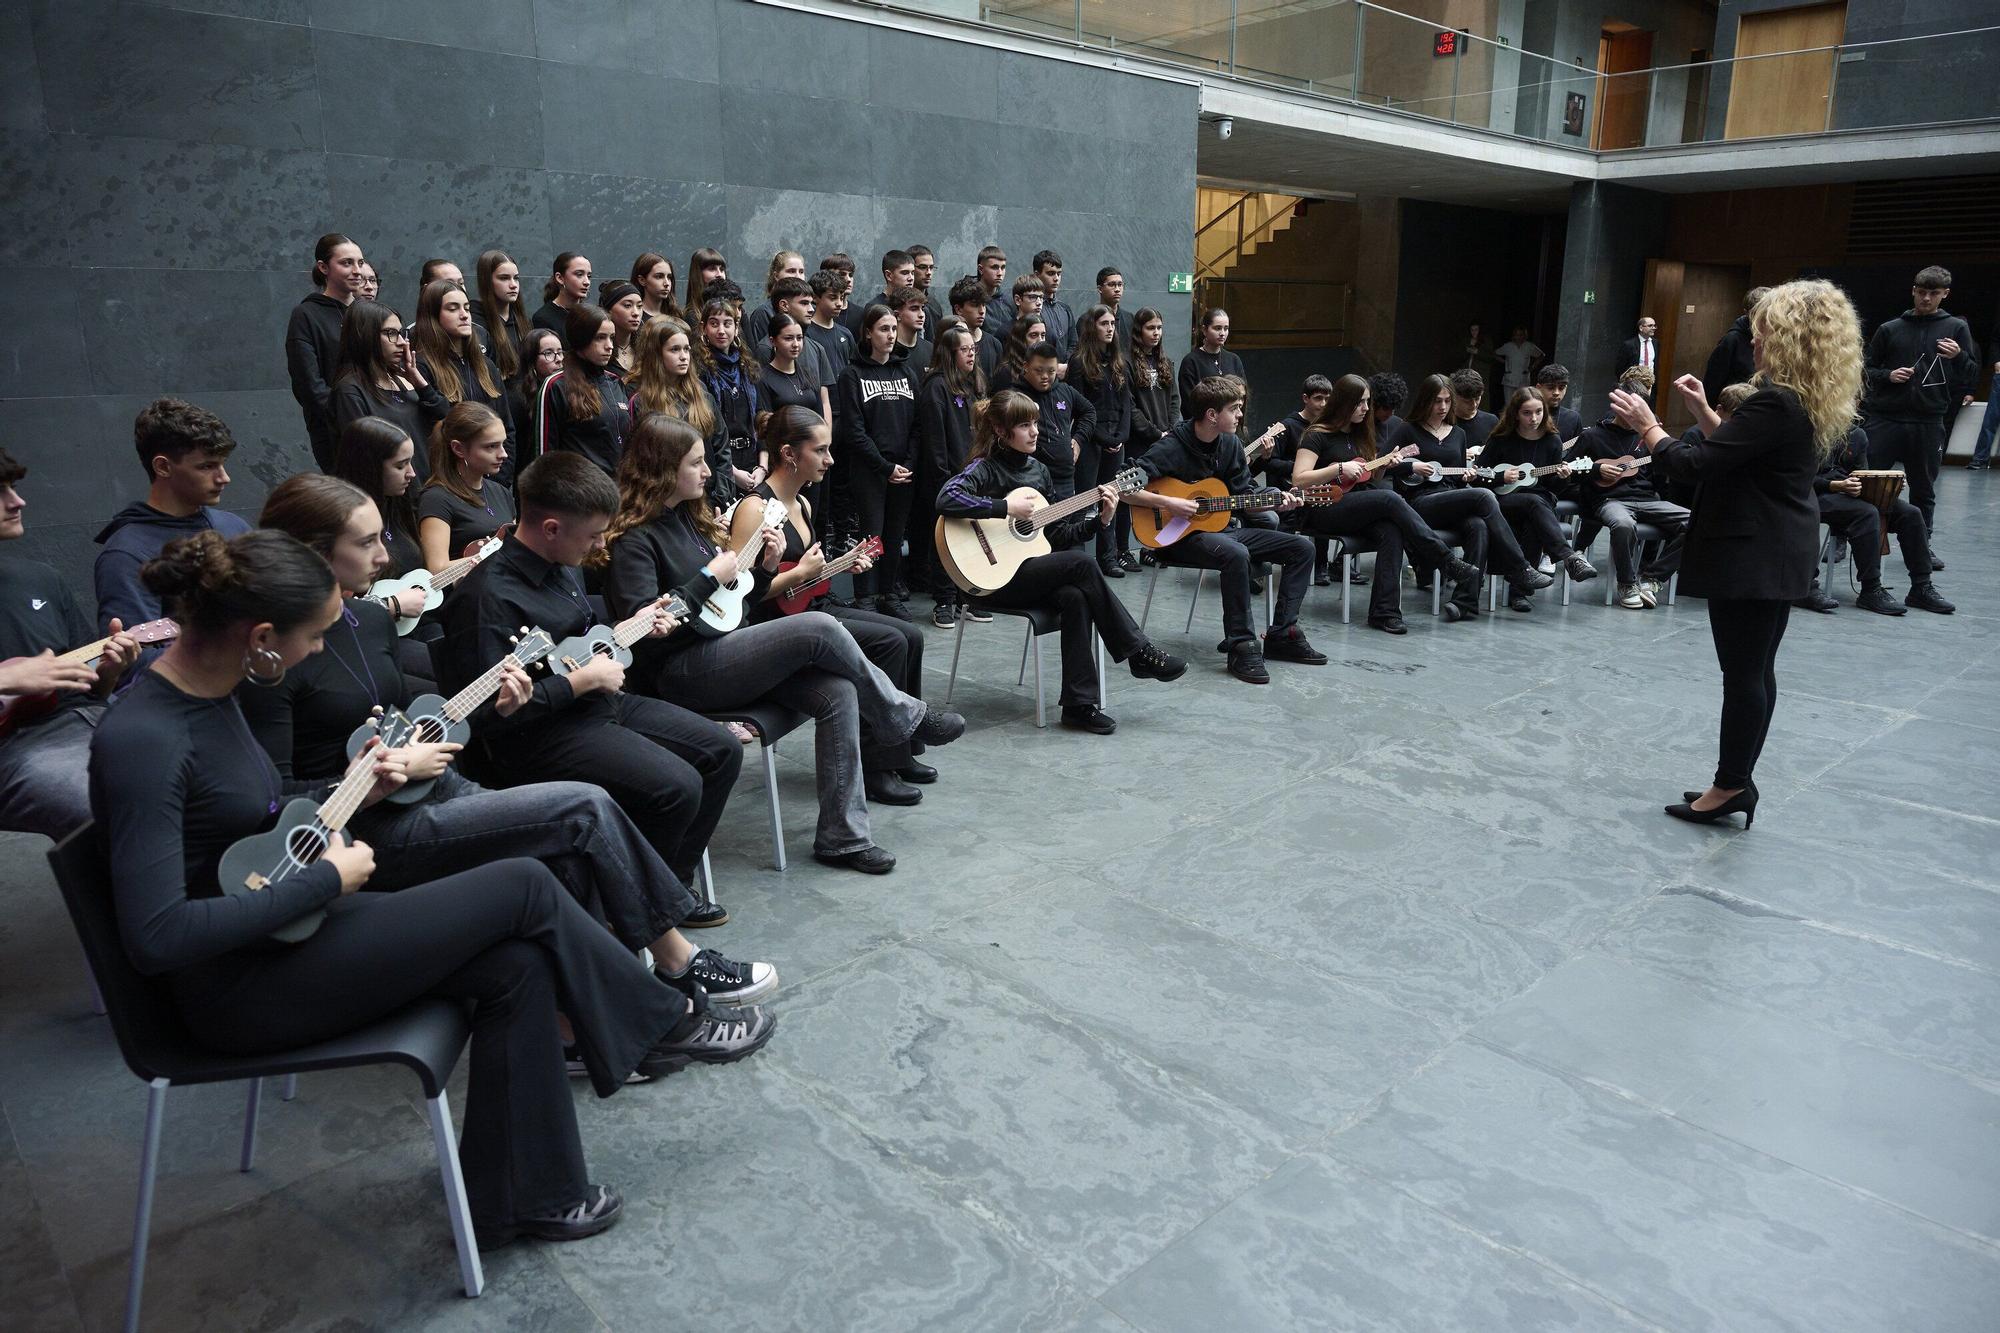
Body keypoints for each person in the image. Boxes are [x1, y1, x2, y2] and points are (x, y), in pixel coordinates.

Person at [90, 526, 770, 1253]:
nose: (316, 651)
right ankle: (664, 1020)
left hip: (288, 931)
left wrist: (357, 787)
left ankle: (528, 1197)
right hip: (238, 989)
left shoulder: (211, 693)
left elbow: (248, 821)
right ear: (260, 638)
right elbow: (157, 937)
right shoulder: (145, 739)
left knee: (518, 964)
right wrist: (325, 878)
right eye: (312, 637)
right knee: (524, 885)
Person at [250, 471, 763, 985]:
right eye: (366, 543)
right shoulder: (273, 658)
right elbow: (267, 803)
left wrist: (441, 729)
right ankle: (672, 962)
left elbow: (413, 714)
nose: (385, 557)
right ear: (312, 553)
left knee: (658, 790)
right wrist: (375, 777)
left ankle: (651, 953)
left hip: (429, 782)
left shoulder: (372, 622)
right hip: (362, 826)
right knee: (593, 809)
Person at [600, 414, 964, 871]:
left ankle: (843, 837)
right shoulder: (635, 539)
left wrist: (765, 569)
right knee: (821, 627)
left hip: (722, 652)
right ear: (661, 468)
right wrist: (708, 577)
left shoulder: (690, 522)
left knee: (839, 691)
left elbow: (730, 604)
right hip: (678, 672)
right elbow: (643, 630)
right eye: (695, 463)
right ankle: (902, 715)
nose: (709, 471)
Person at [438, 453, 744, 913]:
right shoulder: (487, 599)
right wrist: (578, 683)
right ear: (551, 528)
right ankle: (642, 908)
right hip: (538, 735)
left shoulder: (563, 558)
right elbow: (482, 718)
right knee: (676, 787)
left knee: (722, 751)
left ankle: (666, 891)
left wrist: (633, 625)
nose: (602, 543)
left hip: (595, 702)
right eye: (594, 534)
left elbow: (573, 638)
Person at [1608, 279, 1860, 829]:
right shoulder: (1800, 398)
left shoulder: (1774, 400)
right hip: (1779, 544)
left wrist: (1648, 427)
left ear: (1792, 340)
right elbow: (1741, 454)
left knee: (1744, 675)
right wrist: (1703, 412)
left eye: (1765, 333)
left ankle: (1730, 786)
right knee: (1756, 670)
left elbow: (1694, 465)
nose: (1755, 342)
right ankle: (1736, 780)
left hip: (1754, 551)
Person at [936, 391, 1185, 733]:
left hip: (1026, 572)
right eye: (1024, 425)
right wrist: (1005, 508)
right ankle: (1138, 652)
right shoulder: (985, 468)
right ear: (1000, 430)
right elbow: (946, 497)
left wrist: (1101, 521)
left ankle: (1078, 706)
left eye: (1035, 423)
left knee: (1075, 596)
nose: (1035, 431)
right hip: (990, 580)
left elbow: (1057, 535)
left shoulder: (1039, 472)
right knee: (1082, 565)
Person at [745, 410, 939, 793]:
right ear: (789, 454)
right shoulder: (755, 509)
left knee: (911, 635)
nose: (830, 460)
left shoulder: (801, 504)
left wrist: (839, 566)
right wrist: (801, 574)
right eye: (820, 450)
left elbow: (805, 580)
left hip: (812, 608)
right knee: (890, 642)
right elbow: (746, 594)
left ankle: (901, 750)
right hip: (779, 628)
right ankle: (876, 769)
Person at [1128, 376, 1324, 684]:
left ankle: (1282, 633)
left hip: (1221, 532)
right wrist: (1169, 502)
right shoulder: (1171, 446)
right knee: (1235, 553)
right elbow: (1123, 488)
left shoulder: (1230, 444)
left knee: (1302, 548)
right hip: (1176, 537)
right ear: (1211, 415)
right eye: (1234, 409)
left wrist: (1276, 502)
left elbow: (1245, 497)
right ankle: (1241, 645)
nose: (1240, 415)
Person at [0, 447, 141, 841]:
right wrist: (7, 679)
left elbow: (91, 693)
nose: (17, 501)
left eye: (13, 487)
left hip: (94, 721)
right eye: (0, 492)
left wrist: (110, 670)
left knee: (211, 773)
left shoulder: (40, 578)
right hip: (16, 750)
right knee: (114, 804)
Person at [1291, 375, 1481, 635]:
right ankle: (1445, 560)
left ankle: (1384, 612)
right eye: (1360, 403)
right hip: (1324, 507)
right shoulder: (1317, 434)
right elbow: (1299, 479)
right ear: (1344, 403)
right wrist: (1338, 468)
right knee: (1389, 498)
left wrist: (1385, 465)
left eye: (1367, 402)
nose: (1366, 408)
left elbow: (1371, 477)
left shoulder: (1360, 434)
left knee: (1391, 530)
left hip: (1356, 505)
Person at [1392, 373, 1555, 621]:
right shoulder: (1407, 429)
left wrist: (1467, 476)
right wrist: (1411, 466)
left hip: (1449, 498)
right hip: (1419, 502)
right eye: (1437, 401)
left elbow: (1457, 479)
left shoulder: (1457, 433)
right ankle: (1519, 567)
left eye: (1447, 401)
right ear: (1425, 401)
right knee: (1484, 496)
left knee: (1478, 525)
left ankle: (1464, 602)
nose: (1443, 407)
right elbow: (1380, 465)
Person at [95, 398, 252, 634]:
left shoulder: (234, 527)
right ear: (163, 467)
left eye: (222, 464)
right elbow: (141, 652)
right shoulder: (127, 554)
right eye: (207, 466)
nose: (224, 478)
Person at [1861, 265, 1980, 543]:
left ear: (1945, 294)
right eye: (1922, 292)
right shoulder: (1890, 329)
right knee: (1867, 483)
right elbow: (1865, 370)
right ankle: (1852, 539)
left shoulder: (1956, 328)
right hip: (1886, 418)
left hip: (1928, 420)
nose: (1926, 298)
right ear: (1913, 291)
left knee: (1924, 489)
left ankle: (1922, 546)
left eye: (1933, 293)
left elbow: (1971, 374)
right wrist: (1889, 375)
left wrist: (1959, 356)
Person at [1796, 416, 1954, 616]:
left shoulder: (1856, 434)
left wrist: (1886, 485)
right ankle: (1871, 589)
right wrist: (1834, 485)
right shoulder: (1806, 430)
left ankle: (1921, 586)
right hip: (1813, 494)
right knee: (1866, 513)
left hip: (1847, 493)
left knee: (1911, 514)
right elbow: (1798, 476)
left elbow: (1862, 474)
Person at [1574, 366, 1688, 609]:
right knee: (1623, 524)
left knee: (1696, 523)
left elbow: (1661, 478)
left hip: (1647, 500)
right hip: (1610, 501)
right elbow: (1570, 473)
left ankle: (1652, 579)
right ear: (1618, 406)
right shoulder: (1592, 436)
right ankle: (1627, 583)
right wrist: (1596, 470)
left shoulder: (1647, 438)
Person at [836, 304, 922, 619]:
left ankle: (889, 593)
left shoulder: (907, 372)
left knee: (895, 536)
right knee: (871, 536)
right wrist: (885, 468)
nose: (890, 335)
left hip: (903, 471)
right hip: (870, 471)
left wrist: (907, 463)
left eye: (893, 329)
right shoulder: (852, 374)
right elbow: (854, 431)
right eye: (883, 329)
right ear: (868, 333)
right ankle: (865, 598)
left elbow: (918, 426)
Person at [1480, 387, 1599, 608]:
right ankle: (1569, 557)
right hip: (1504, 500)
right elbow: (1478, 474)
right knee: (1534, 504)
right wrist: (1500, 477)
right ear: (1516, 413)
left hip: (1540, 502)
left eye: (1538, 412)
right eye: (1527, 413)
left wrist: (1563, 477)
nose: (1533, 418)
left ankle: (1518, 593)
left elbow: (1554, 489)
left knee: (1533, 521)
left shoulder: (1552, 440)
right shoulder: (1501, 438)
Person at [331, 301, 447, 478]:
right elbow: (363, 457)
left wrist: (420, 384)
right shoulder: (350, 391)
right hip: (395, 489)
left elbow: (444, 417)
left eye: (401, 333)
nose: (401, 342)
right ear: (366, 336)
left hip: (430, 485)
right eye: (391, 333)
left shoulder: (406, 380)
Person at [413, 279, 514, 482]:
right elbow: (437, 430)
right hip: (449, 480)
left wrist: (501, 481)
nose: (464, 315)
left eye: (466, 308)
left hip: (492, 482)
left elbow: (507, 427)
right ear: (433, 316)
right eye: (453, 308)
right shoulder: (421, 367)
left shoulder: (486, 365)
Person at [918, 326, 985, 628]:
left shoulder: (973, 385)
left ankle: (965, 598)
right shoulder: (936, 387)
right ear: (949, 353)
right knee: (945, 540)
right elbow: (935, 443)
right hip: (946, 481)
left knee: (970, 538)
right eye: (965, 349)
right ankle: (944, 601)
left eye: (973, 349)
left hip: (974, 478)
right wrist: (946, 481)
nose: (971, 354)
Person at [286, 232, 364, 469]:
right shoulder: (306, 315)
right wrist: (349, 414)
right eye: (346, 263)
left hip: (382, 420)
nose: (357, 271)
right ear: (323, 267)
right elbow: (308, 384)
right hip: (335, 430)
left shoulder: (367, 312)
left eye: (360, 262)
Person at [1068, 303, 1133, 576]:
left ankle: (1108, 558)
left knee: (1111, 498)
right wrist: (1104, 438)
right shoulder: (1079, 362)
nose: (1110, 328)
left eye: (1112, 324)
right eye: (1104, 323)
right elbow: (1080, 407)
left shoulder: (1120, 362)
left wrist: (1121, 436)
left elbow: (1126, 404)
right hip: (1090, 440)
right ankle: (1076, 558)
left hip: (1116, 439)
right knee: (1084, 500)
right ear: (1091, 326)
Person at [535, 304, 630, 475]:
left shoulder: (615, 382)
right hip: (578, 486)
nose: (609, 345)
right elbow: (544, 456)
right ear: (581, 338)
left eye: (611, 337)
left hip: (619, 486)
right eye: (600, 338)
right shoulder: (556, 385)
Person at [420, 402, 515, 569]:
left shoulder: (501, 492)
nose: (503, 454)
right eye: (491, 446)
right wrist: (496, 558)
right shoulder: (436, 498)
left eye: (502, 444)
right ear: (458, 449)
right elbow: (437, 568)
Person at [331, 417, 423, 583]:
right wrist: (396, 600)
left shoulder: (397, 504)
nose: (412, 473)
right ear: (370, 467)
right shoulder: (343, 519)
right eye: (400, 466)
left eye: (410, 462)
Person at [694, 297, 764, 502]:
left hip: (752, 459)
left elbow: (761, 418)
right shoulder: (699, 369)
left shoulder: (747, 365)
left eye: (727, 324)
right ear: (703, 328)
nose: (721, 331)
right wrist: (733, 472)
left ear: (736, 327)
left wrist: (762, 466)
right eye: (714, 324)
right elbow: (705, 428)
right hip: (719, 463)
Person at [1013, 342, 1094, 504]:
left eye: (1051, 371)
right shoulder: (1014, 397)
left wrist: (1078, 439)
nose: (1045, 376)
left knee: (1068, 520)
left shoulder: (1065, 390)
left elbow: (1089, 412)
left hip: (1065, 479)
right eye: (1039, 370)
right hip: (1031, 480)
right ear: (1026, 366)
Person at [470, 249, 529, 388]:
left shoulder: (523, 321)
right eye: (504, 278)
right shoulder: (475, 322)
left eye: (516, 278)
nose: (513, 284)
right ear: (487, 281)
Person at [1704, 287, 1768, 407]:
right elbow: (1713, 382)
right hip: (1736, 407)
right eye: (1758, 314)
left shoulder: (1776, 337)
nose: (1764, 319)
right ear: (1747, 313)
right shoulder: (1732, 340)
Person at [1178, 308, 1245, 413]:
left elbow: (1242, 395)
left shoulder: (1234, 360)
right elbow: (1189, 403)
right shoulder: (1191, 361)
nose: (1222, 333)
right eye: (1217, 328)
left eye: (1226, 328)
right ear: (1204, 330)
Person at [509, 328, 563, 445]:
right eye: (548, 353)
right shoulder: (517, 398)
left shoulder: (564, 388)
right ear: (532, 360)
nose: (558, 359)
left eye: (560, 352)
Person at [744, 250, 806, 348]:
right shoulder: (763, 313)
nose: (798, 276)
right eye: (791, 271)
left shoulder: (809, 309)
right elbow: (761, 351)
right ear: (776, 275)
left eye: (801, 272)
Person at [1030, 251, 1076, 357]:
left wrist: (1066, 364)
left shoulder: (1065, 309)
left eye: (1059, 274)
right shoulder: (1032, 308)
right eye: (1051, 273)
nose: (1056, 278)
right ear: (1037, 275)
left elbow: (1073, 344)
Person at [532, 252, 592, 333]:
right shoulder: (543, 318)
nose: (587, 282)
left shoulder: (590, 315)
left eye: (589, 276)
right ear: (560, 278)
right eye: (579, 274)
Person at [598, 280, 646, 380]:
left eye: (639, 306)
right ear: (608, 310)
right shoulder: (596, 350)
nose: (636, 313)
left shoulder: (647, 348)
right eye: (627, 305)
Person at [1449, 370, 1498, 451]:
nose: (1474, 404)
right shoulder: (1444, 422)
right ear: (1454, 397)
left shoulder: (1492, 421)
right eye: (1467, 401)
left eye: (1477, 399)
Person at [1535, 363, 1584, 443]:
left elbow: (1577, 448)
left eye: (1561, 388)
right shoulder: (1527, 415)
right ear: (1538, 388)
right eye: (1550, 387)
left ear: (1566, 388)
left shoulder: (1573, 418)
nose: (1556, 393)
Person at [631, 251, 683, 325]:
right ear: (642, 280)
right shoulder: (634, 316)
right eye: (659, 277)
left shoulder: (678, 316)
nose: (667, 283)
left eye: (669, 277)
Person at [1494, 326, 1543, 398]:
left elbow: (1541, 355)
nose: (1519, 337)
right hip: (1509, 379)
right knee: (1509, 401)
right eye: (1517, 335)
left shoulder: (1529, 346)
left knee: (1522, 401)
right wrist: (1504, 362)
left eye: (1521, 335)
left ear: (1525, 335)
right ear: (1514, 336)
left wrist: (1532, 367)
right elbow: (1495, 354)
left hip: (1523, 379)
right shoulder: (1508, 346)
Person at [1096, 268, 1134, 350]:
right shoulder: (1088, 319)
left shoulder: (1129, 318)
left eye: (1120, 284)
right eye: (1112, 285)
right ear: (1099, 289)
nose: (1117, 289)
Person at [684, 247, 728, 318]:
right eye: (712, 269)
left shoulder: (735, 307)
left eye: (722, 269)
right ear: (698, 274)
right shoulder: (692, 316)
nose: (719, 274)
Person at [976, 245, 1011, 334]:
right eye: (994, 267)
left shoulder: (1009, 301)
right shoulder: (969, 299)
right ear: (981, 269)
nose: (1000, 273)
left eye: (1003, 268)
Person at [1617, 315, 1660, 380]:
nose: (1654, 328)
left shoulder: (1655, 343)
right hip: (1633, 382)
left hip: (1650, 382)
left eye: (1654, 326)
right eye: (1650, 326)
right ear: (1641, 328)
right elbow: (1620, 368)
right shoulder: (1629, 345)